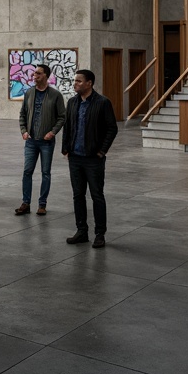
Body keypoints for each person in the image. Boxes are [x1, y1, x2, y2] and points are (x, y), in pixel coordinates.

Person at [60, 69, 118, 248]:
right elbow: (68, 126)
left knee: (96, 196)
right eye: (74, 81)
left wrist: (101, 151)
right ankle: (81, 231)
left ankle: (100, 234)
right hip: (75, 158)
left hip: (93, 159)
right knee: (78, 195)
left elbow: (112, 128)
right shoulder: (72, 102)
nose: (75, 83)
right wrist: (66, 149)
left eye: (78, 81)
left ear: (89, 83)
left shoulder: (102, 103)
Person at [15, 64, 65, 215]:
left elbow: (62, 117)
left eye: (38, 73)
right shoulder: (29, 93)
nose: (34, 76)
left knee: (45, 173)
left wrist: (53, 132)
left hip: (47, 142)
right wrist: (23, 131)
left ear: (45, 76)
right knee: (27, 172)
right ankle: (26, 203)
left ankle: (42, 204)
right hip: (31, 141)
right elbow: (22, 114)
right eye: (34, 73)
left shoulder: (55, 95)